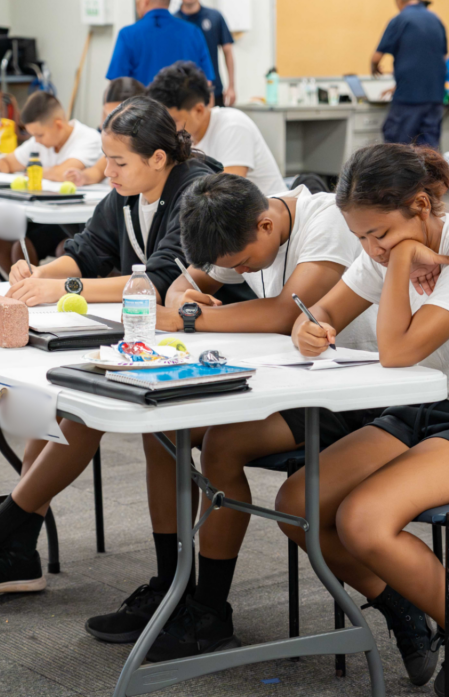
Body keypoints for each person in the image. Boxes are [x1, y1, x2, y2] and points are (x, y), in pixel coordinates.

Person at [276, 143, 449, 694]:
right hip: (424, 411)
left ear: (422, 205)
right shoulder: (381, 249)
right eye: (359, 237)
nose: (371, 248)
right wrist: (306, 329)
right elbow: (323, 312)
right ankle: (402, 604)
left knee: (362, 520)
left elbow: (398, 353)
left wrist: (402, 261)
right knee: (297, 505)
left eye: (380, 234)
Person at [0, 96, 218, 595]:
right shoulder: (127, 192)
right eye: (107, 159)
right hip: (160, 338)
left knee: (85, 405)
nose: (108, 171)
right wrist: (40, 273)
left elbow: (163, 278)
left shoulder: (196, 192)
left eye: (118, 162)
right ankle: (16, 540)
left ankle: (4, 531)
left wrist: (64, 289)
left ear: (158, 158)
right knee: (69, 400)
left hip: (207, 340)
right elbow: (85, 250)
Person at [81, 172, 378, 660]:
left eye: (241, 264)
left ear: (266, 226)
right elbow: (185, 281)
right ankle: (171, 587)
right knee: (160, 429)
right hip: (289, 380)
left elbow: (289, 313)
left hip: (351, 390)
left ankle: (211, 612)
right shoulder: (243, 227)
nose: (236, 271)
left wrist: (187, 318)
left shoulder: (327, 222)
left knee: (223, 444)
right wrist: (181, 296)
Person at [0, 91, 103, 273]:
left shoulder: (88, 138)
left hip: (76, 220)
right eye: (33, 136)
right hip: (44, 215)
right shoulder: (39, 142)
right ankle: (22, 291)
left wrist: (32, 172)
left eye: (39, 135)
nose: (36, 141)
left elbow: (65, 172)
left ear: (58, 124)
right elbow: (9, 162)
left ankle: (45, 291)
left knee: (62, 248)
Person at [148, 61, 287, 195]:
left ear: (199, 110)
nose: (169, 128)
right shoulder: (186, 136)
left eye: (174, 120)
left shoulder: (233, 126)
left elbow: (227, 194)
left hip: (269, 214)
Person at [106, 0, 214, 88]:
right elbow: (207, 84)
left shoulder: (128, 35)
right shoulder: (193, 32)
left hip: (144, 106)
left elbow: (116, 88)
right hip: (187, 106)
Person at [372, 0, 448, 148]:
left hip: (409, 99)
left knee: (397, 149)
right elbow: (441, 58)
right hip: (434, 97)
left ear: (399, 0)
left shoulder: (400, 19)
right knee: (428, 152)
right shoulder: (436, 20)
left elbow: (376, 57)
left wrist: (374, 68)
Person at [65, 77, 147, 187]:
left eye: (121, 119)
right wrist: (82, 176)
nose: (114, 126)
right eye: (109, 116)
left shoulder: (150, 143)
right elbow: (98, 171)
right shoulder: (116, 143)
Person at [175, 0, 236, 107]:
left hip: (213, 89)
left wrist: (231, 86)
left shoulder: (215, 17)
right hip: (182, 92)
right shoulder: (174, 21)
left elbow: (228, 52)